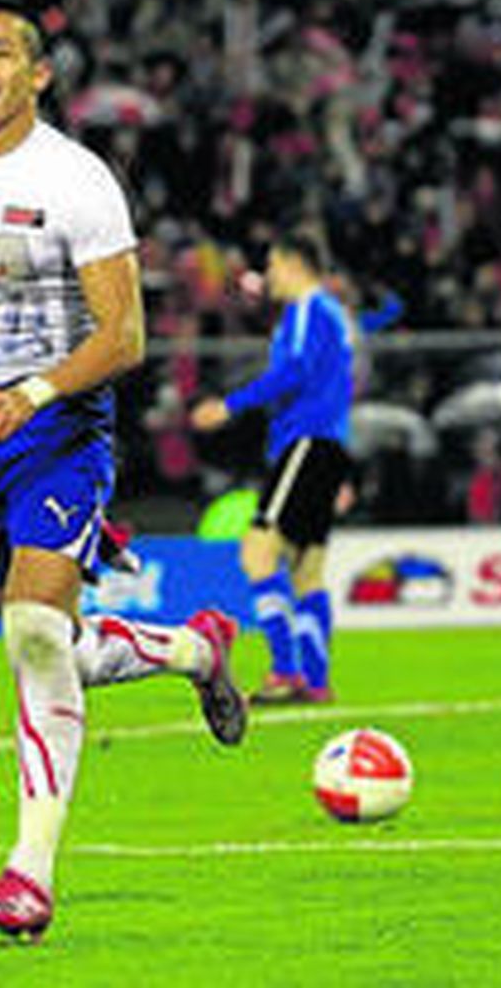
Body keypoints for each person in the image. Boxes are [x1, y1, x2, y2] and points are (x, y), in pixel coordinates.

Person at [0, 0, 246, 941]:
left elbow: (124, 335)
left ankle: (28, 874)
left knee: (32, 630)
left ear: (39, 74)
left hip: (59, 423)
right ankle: (192, 649)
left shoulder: (77, 181)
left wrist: (31, 393)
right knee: (53, 642)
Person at [191, 233, 354, 705]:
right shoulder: (330, 315)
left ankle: (285, 672)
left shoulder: (308, 309)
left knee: (258, 554)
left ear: (293, 263)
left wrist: (230, 405)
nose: (270, 276)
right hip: (325, 445)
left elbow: (297, 372)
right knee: (306, 569)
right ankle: (316, 680)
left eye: (274, 265)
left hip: (305, 442)